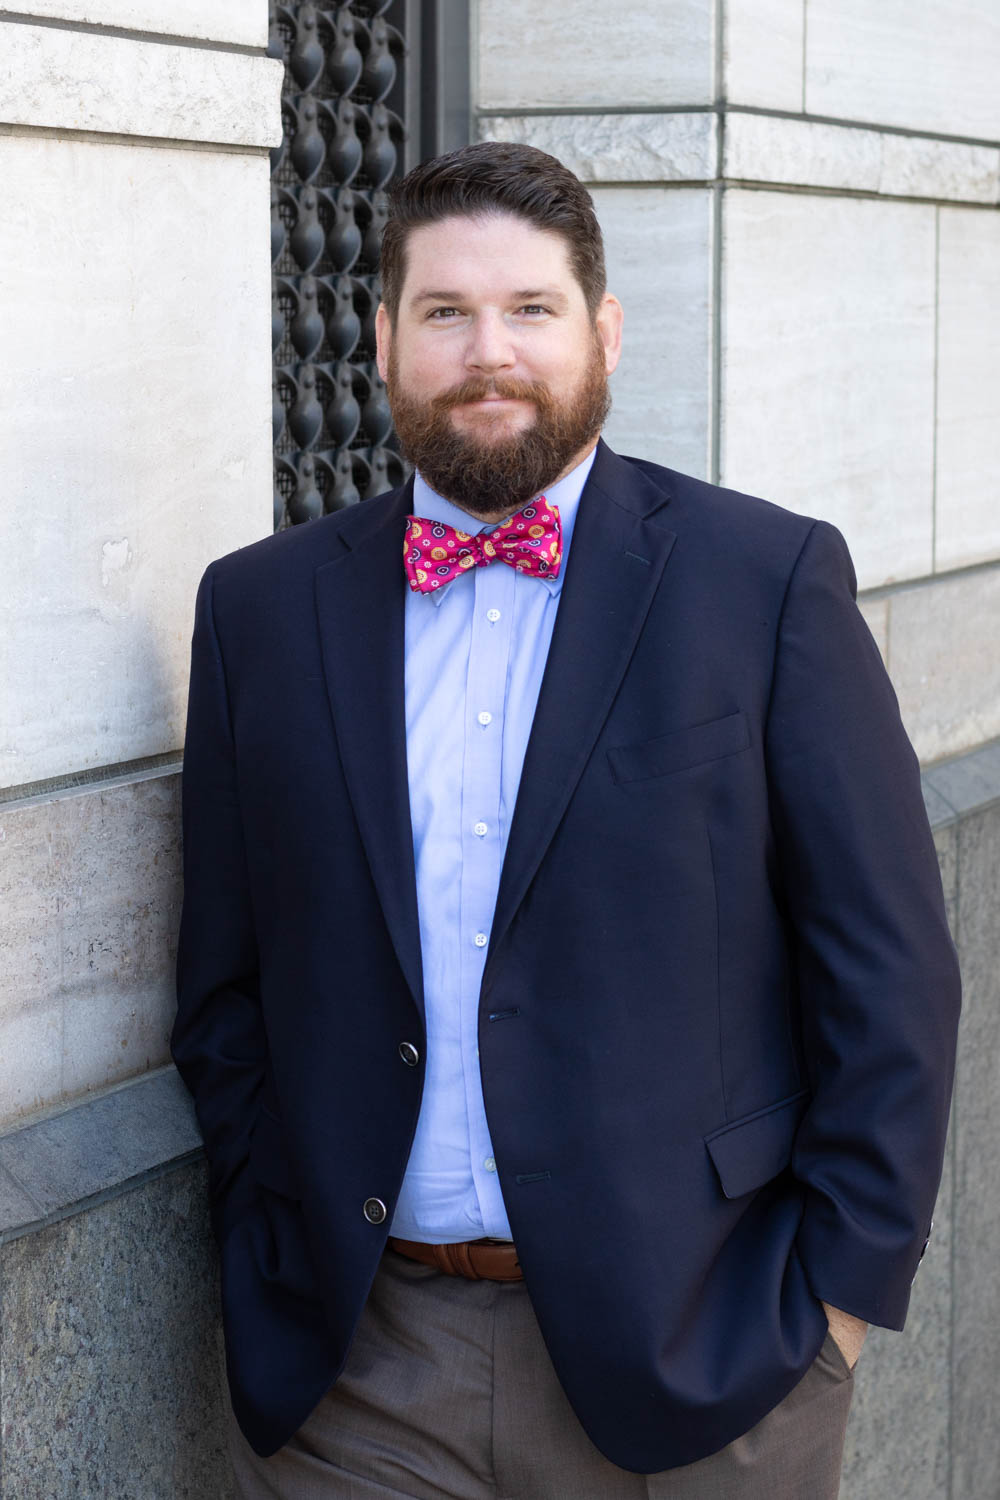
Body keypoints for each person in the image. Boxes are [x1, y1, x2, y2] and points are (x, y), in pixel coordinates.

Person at [172, 141, 961, 1498]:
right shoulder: (260, 611)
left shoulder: (764, 582)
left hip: (708, 1358)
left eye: (530, 309)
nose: (490, 353)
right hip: (363, 1372)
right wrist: (270, 1235)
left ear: (604, 331)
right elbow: (224, 983)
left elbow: (888, 969)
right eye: (446, 311)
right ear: (381, 340)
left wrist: (834, 1305)